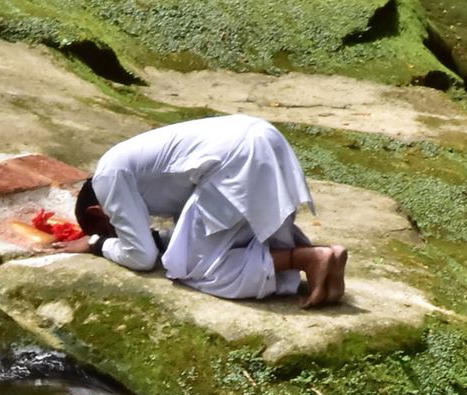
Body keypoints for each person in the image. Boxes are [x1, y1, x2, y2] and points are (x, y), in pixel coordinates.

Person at [56, 114, 347, 308]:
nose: (121, 230)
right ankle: (328, 259)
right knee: (244, 240)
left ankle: (309, 258)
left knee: (198, 269)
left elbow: (141, 257)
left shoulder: (108, 177)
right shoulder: (128, 167)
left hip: (235, 158)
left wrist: (98, 243)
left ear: (97, 212)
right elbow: (183, 233)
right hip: (263, 137)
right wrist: (154, 240)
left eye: (113, 227)